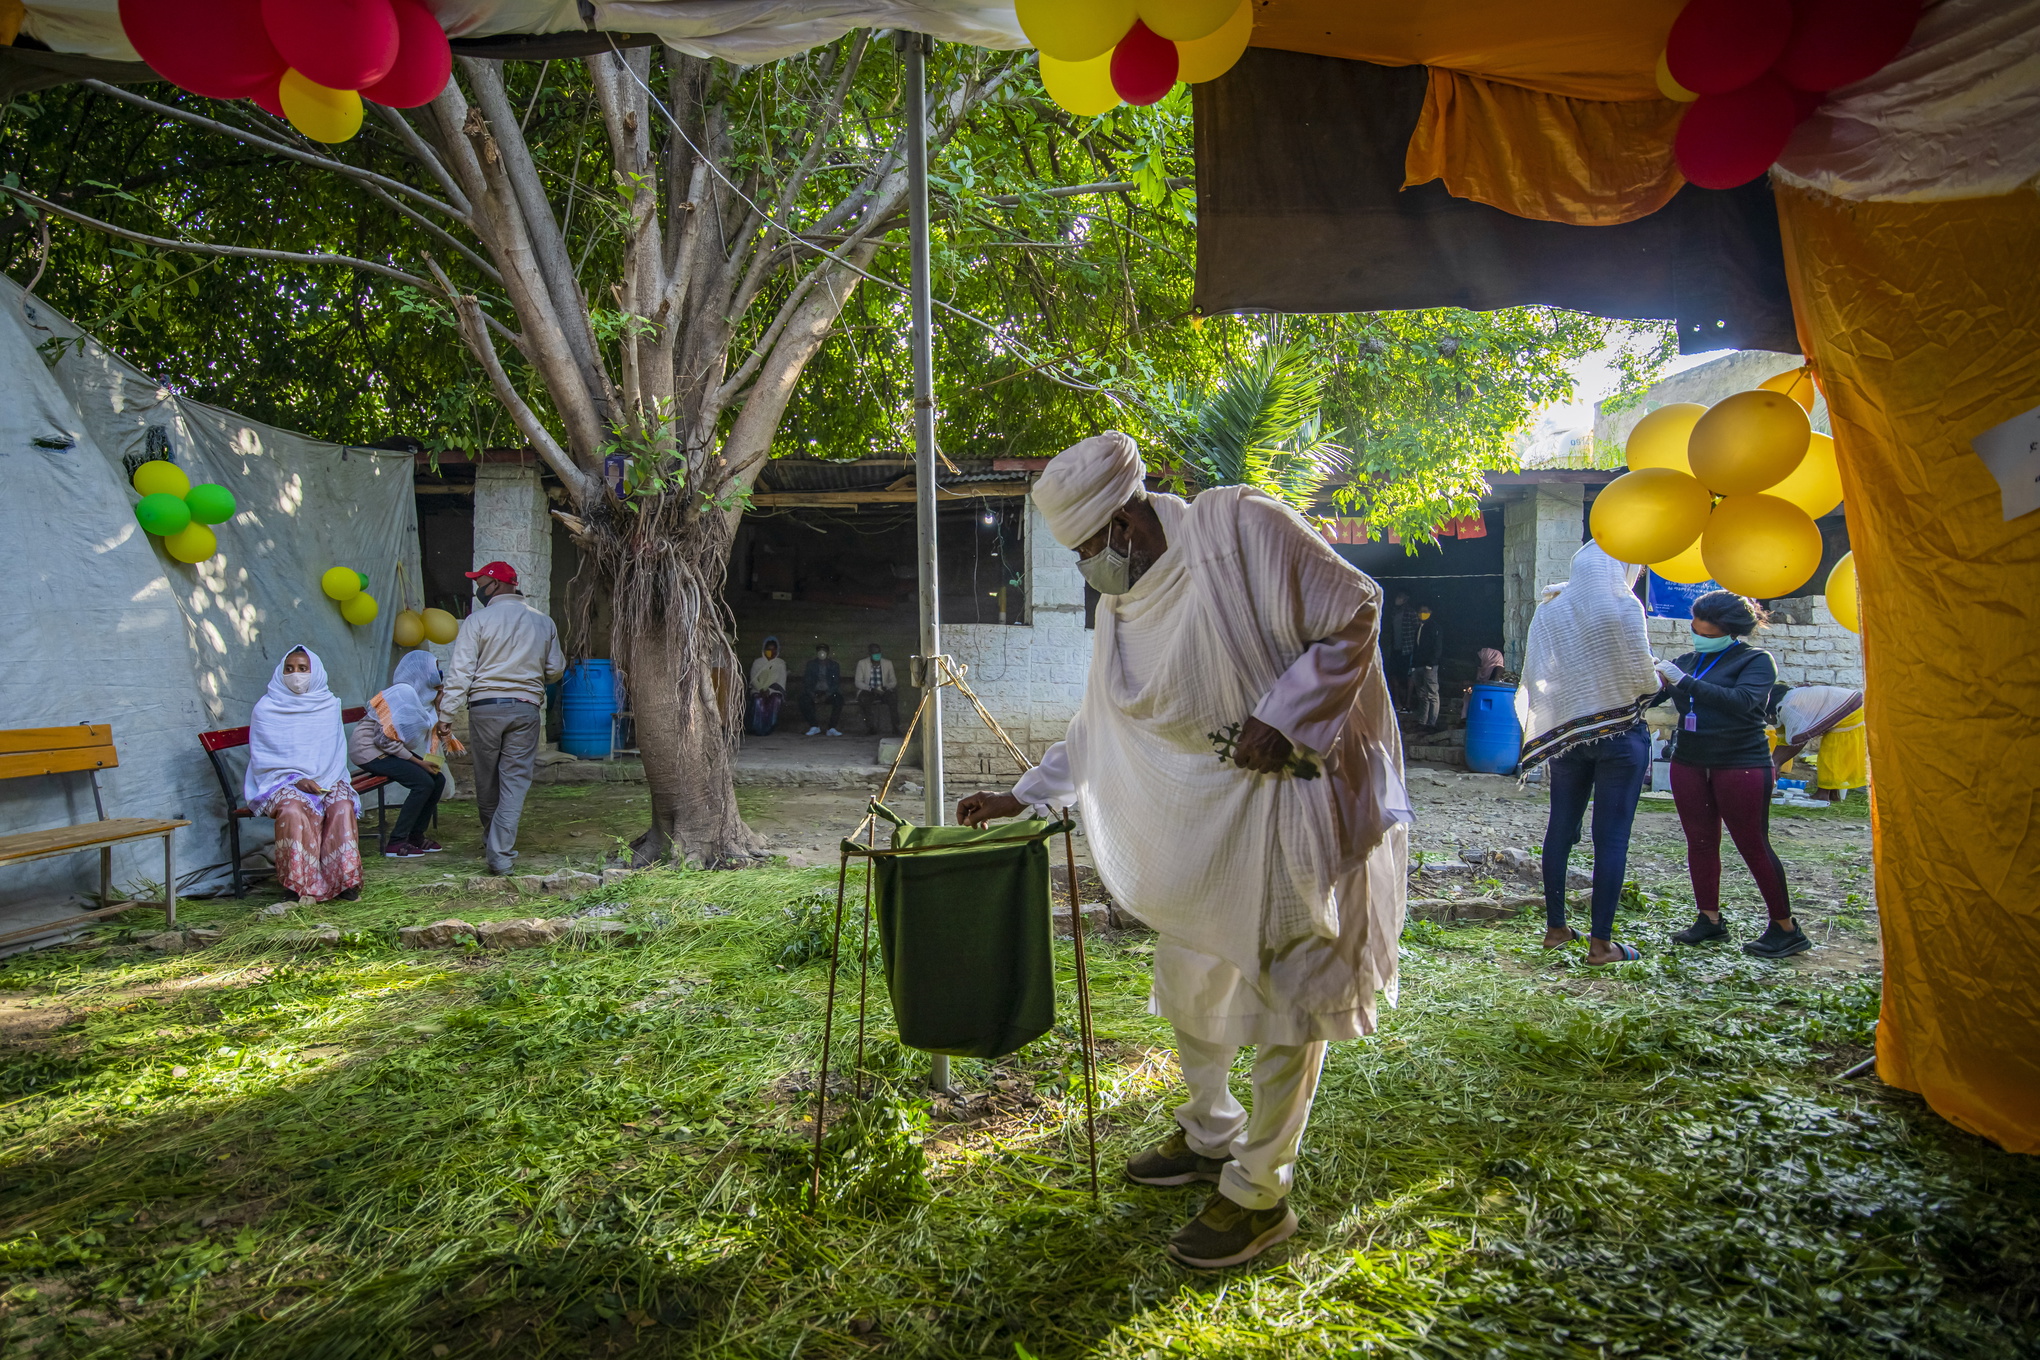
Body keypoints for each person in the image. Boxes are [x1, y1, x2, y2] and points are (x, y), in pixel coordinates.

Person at [957, 432, 1409, 1270]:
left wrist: (1286, 715)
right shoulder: (1120, 610)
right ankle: (1210, 1132)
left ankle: (1259, 1193)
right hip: (1211, 824)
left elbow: (1355, 608)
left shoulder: (1238, 530)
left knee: (1287, 993)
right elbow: (1101, 730)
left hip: (1296, 803)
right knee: (1191, 976)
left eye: (1088, 548)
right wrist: (1020, 794)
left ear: (1125, 524)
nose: (1088, 567)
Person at [1515, 544, 1663, 965]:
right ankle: (1601, 945)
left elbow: (1541, 672)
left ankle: (1556, 929)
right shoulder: (1623, 606)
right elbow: (1643, 680)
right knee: (1610, 837)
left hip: (1569, 738)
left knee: (1560, 830)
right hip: (1620, 737)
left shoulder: (1551, 609)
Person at [1653, 590, 1809, 958]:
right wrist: (1648, 677)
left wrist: (1684, 682)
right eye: (1695, 629)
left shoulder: (1756, 661)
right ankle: (1709, 919)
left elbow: (1742, 702)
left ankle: (1785, 927)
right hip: (1690, 760)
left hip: (1741, 762)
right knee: (1701, 841)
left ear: (1730, 631)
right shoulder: (1688, 660)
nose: (1698, 637)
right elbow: (1650, 695)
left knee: (1752, 842)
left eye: (1707, 634)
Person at [440, 560, 565, 877]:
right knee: (515, 782)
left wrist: (446, 715)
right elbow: (555, 670)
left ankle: (495, 847)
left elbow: (460, 673)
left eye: (480, 583)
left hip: (485, 708)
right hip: (525, 709)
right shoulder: (543, 622)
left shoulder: (476, 620)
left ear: (494, 585)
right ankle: (500, 853)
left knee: (487, 780)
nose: (478, 589)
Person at [245, 645, 361, 903]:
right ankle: (297, 884)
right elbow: (264, 756)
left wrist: (321, 779)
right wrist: (297, 779)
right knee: (292, 810)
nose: (295, 674)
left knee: (342, 805)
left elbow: (334, 751)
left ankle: (343, 882)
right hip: (280, 779)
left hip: (328, 777)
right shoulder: (266, 708)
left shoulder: (328, 705)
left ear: (315, 672)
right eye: (289, 669)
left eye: (302, 669)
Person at [350, 650, 453, 858]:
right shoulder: (401, 694)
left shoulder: (423, 698)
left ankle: (415, 835)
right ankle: (396, 843)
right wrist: (418, 762)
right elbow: (382, 739)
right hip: (368, 751)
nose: (439, 673)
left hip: (385, 750)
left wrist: (440, 704)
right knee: (422, 782)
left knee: (437, 780)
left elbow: (432, 734)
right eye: (435, 667)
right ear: (421, 671)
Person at [1772, 684, 1868, 802]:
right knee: (1832, 753)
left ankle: (1823, 794)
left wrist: (1775, 764)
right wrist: (1773, 763)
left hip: (1851, 710)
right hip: (1846, 705)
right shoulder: (1780, 709)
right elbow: (1784, 740)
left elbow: (1799, 740)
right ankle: (1832, 795)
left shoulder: (1789, 709)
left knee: (1831, 754)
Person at [1409, 604, 1444, 730]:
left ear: (1430, 612)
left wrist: (1431, 663)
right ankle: (1422, 721)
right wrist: (1413, 665)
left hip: (1430, 666)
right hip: (1418, 665)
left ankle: (1431, 723)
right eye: (1420, 611)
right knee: (1422, 694)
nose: (1422, 614)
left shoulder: (1434, 627)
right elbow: (1416, 647)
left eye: (1425, 611)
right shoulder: (1419, 627)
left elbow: (1437, 647)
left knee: (1432, 694)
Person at [854, 642, 900, 737]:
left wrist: (885, 687)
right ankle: (870, 728)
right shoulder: (862, 663)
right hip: (869, 690)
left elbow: (893, 681)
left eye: (878, 653)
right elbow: (858, 682)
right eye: (874, 653)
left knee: (893, 698)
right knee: (864, 699)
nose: (877, 655)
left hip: (883, 690)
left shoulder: (887, 663)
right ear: (869, 654)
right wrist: (871, 689)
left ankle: (896, 727)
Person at [800, 643, 844, 737]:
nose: (822, 653)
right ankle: (814, 726)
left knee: (839, 699)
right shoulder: (811, 664)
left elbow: (836, 683)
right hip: (814, 692)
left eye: (824, 650)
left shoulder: (834, 665)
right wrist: (812, 695)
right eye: (820, 650)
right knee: (803, 699)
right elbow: (807, 682)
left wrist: (827, 695)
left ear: (828, 652)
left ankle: (831, 728)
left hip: (829, 692)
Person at [748, 636, 787, 736]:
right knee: (758, 700)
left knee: (775, 700)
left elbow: (781, 681)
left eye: (774, 649)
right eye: (769, 649)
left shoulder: (780, 663)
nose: (771, 651)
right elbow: (753, 678)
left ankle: (769, 728)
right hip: (758, 690)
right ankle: (758, 728)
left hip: (774, 691)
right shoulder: (758, 662)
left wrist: (769, 690)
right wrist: (761, 689)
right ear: (764, 650)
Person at [1385, 590, 1418, 709]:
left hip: (1407, 650)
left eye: (1400, 597)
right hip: (1395, 649)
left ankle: (1407, 703)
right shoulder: (1394, 612)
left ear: (1405, 599)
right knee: (1393, 675)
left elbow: (1416, 630)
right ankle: (1397, 702)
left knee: (1408, 676)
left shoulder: (1411, 613)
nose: (1397, 600)